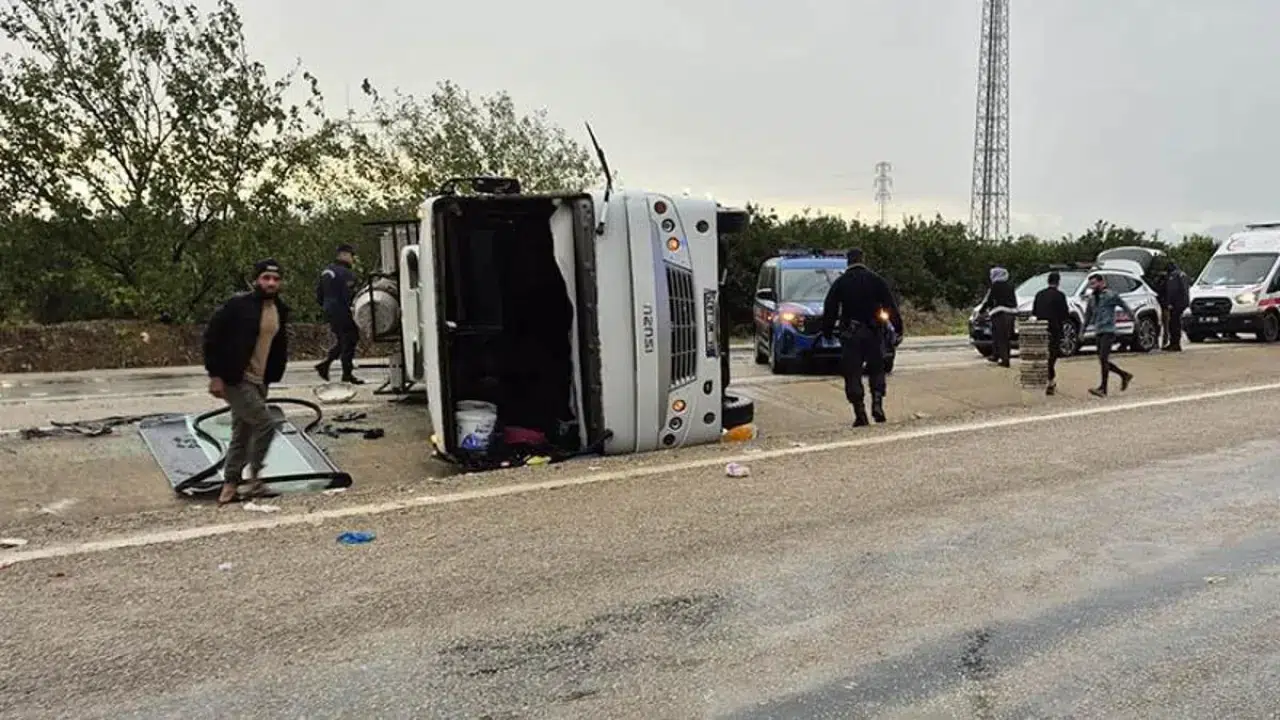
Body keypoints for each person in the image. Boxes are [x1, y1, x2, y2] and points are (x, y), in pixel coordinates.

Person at [203, 259, 290, 505]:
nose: (271, 283)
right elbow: (212, 337)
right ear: (256, 280)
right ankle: (254, 478)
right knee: (266, 423)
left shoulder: (280, 310)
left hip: (260, 380)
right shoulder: (237, 306)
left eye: (275, 279)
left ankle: (230, 485)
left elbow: (277, 345)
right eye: (266, 278)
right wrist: (215, 375)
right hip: (235, 378)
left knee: (242, 432)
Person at [820, 248, 904, 427]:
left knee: (852, 373)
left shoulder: (841, 283)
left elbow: (830, 308)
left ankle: (860, 413)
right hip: (874, 333)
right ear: (863, 259)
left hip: (851, 334)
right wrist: (898, 329)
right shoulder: (876, 280)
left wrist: (827, 331)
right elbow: (890, 305)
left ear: (848, 262)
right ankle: (877, 404)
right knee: (877, 369)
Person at [315, 243, 363, 384]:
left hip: (329, 309)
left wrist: (326, 306)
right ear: (344, 255)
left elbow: (319, 294)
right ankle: (345, 373)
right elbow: (349, 295)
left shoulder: (327, 271)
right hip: (342, 310)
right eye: (351, 255)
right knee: (350, 338)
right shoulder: (346, 273)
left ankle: (326, 365)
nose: (352, 259)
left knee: (343, 340)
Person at [1083, 273, 1134, 397]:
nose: (1093, 286)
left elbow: (1124, 306)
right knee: (1102, 360)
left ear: (1102, 283)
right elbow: (1088, 315)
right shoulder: (1092, 299)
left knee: (1104, 358)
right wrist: (1082, 331)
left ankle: (1103, 388)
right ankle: (1124, 375)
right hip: (1098, 330)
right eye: (1091, 284)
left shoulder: (1110, 295)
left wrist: (1133, 319)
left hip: (1108, 330)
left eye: (1095, 283)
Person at [1032, 271, 1070, 396]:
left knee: (1043, 355)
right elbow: (1065, 314)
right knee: (1052, 355)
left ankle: (1048, 379)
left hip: (1041, 328)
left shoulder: (1039, 294)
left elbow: (1035, 312)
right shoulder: (1060, 296)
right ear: (1058, 282)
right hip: (1054, 328)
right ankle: (1050, 380)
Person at [979, 266, 1017, 367]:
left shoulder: (996, 286)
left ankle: (1004, 360)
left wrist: (982, 311)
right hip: (1011, 313)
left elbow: (989, 300)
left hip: (1000, 313)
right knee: (1005, 337)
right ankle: (999, 356)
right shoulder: (1010, 285)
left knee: (1000, 337)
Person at [1162, 261, 1191, 351]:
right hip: (1183, 302)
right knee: (1177, 323)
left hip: (1176, 303)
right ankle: (1175, 343)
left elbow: (1172, 291)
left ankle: (1175, 344)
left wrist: (1169, 303)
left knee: (1174, 324)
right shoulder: (1183, 274)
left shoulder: (1173, 276)